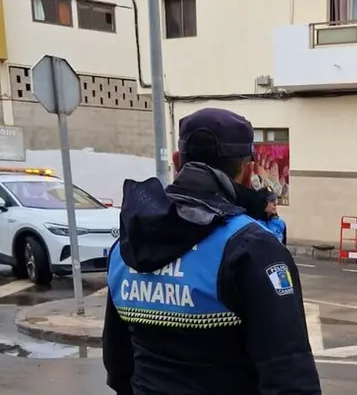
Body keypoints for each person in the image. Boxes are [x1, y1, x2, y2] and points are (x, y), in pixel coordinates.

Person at [102, 108, 321, 395]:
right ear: (246, 170)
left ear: (177, 161)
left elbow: (118, 367)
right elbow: (289, 375)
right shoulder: (251, 248)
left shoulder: (127, 246)